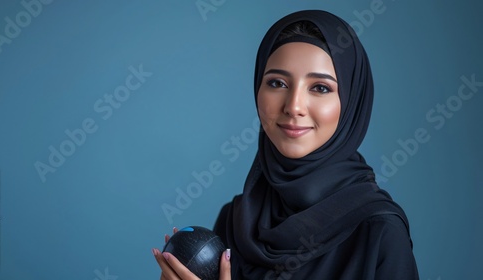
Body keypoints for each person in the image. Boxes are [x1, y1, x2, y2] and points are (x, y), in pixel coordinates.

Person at [153, 10, 419, 279]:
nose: (293, 106)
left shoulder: (379, 230)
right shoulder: (235, 220)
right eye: (277, 83)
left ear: (351, 102)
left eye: (320, 88)